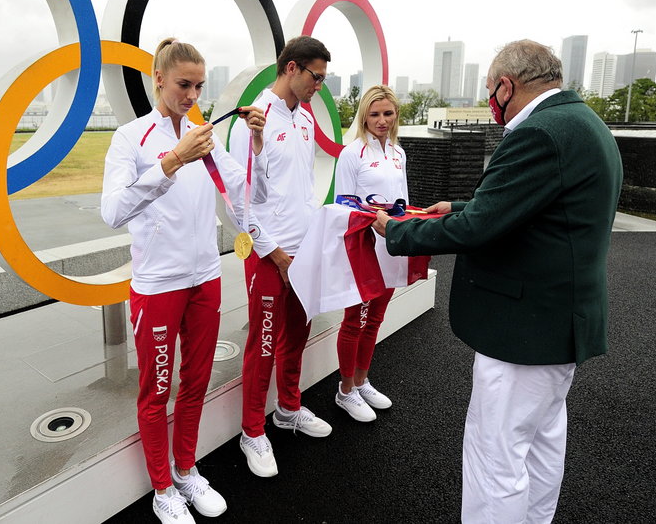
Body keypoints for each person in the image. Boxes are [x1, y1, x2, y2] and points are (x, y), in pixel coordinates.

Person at [373, 39, 623, 524]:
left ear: (506, 86)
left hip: (523, 329)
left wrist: (396, 230)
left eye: (491, 90)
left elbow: (480, 229)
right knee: (542, 441)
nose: (491, 101)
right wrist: (460, 206)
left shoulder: (538, 133)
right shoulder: (584, 123)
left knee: (496, 454)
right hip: (557, 324)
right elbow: (536, 210)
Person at [101, 38, 270, 524]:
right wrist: (172, 160)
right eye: (183, 84)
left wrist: (256, 144)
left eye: (199, 85)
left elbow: (251, 191)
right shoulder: (131, 138)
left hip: (206, 278)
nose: (193, 95)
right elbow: (111, 212)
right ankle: (161, 489)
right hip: (157, 284)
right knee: (156, 390)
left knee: (195, 381)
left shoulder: (205, 135)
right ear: (158, 79)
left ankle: (186, 469)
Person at [229, 35, 334, 478]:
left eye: (324, 79)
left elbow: (304, 190)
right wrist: (276, 254)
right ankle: (252, 431)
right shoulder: (251, 121)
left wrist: (310, 245)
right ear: (291, 67)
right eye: (316, 76)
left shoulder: (306, 119)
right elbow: (241, 202)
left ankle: (288, 409)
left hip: (302, 251)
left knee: (297, 335)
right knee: (265, 343)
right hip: (270, 255)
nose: (319, 86)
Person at [331, 84, 409, 422]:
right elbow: (343, 206)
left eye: (387, 113)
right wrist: (371, 219)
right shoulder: (352, 153)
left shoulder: (398, 152)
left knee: (375, 318)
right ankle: (345, 390)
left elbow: (403, 203)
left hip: (391, 245)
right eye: (374, 114)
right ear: (364, 115)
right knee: (355, 320)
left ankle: (361, 381)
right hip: (363, 247)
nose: (381, 120)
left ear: (395, 116)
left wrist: (404, 232)